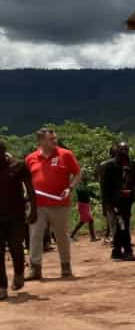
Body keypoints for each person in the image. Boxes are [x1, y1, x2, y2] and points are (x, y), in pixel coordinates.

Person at [26, 127, 81, 280]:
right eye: (51, 139)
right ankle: (35, 269)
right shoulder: (30, 158)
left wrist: (70, 188)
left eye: (55, 138)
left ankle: (65, 267)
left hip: (60, 204)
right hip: (38, 204)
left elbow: (77, 173)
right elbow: (25, 179)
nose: (55, 141)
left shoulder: (65, 154)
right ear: (41, 141)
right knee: (35, 236)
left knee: (61, 236)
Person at [0, 141, 37, 300]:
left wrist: (34, 210)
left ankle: (19, 273)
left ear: (3, 152)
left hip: (16, 215)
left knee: (16, 247)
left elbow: (30, 189)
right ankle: (1, 287)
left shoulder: (19, 166)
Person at [99, 142, 135, 261]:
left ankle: (116, 251)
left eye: (126, 150)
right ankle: (127, 250)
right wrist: (105, 205)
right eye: (121, 150)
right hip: (114, 202)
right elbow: (104, 187)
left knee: (122, 224)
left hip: (127, 201)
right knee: (123, 225)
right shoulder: (108, 166)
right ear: (116, 152)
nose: (124, 152)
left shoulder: (132, 165)